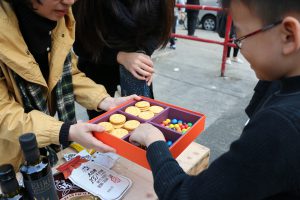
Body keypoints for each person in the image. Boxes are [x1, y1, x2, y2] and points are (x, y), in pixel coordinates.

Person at [129, 0, 300, 199]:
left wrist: (154, 141)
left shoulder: (279, 126)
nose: (239, 46)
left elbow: (184, 195)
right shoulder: (281, 89)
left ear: (288, 35)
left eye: (241, 36)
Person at [0, 0, 139, 170]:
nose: (70, 1)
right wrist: (65, 131)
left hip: (46, 146)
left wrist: (105, 100)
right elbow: (4, 115)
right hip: (10, 159)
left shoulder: (60, 20)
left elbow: (68, 74)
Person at [72, 0, 174, 119]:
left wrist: (143, 54)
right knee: (101, 118)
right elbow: (81, 43)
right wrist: (120, 56)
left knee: (143, 114)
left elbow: (157, 31)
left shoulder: (158, 6)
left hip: (135, 63)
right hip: (97, 61)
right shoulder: (90, 5)